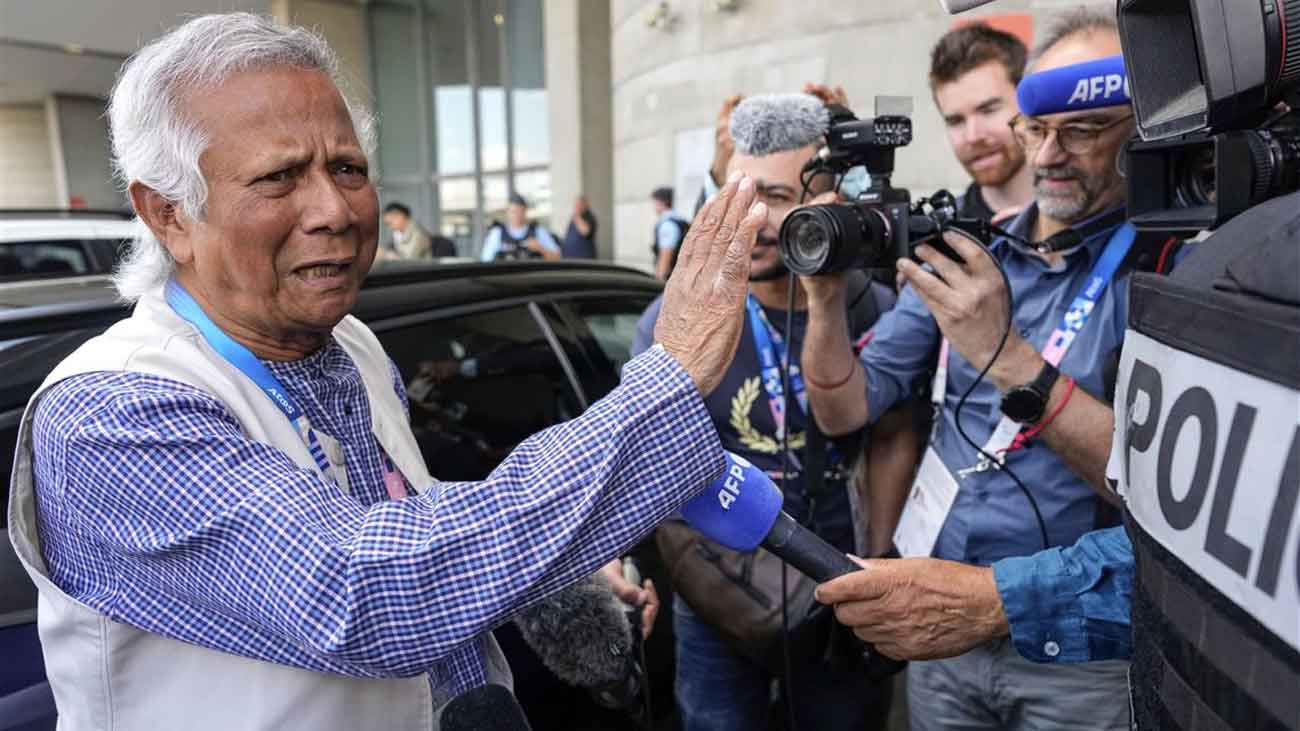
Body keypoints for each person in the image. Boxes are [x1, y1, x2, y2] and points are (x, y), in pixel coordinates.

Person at [5, 14, 769, 730]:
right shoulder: (108, 414)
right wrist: (667, 378)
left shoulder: (351, 343)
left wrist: (552, 580)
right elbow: (363, 591)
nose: (335, 210)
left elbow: (408, 514)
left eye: (348, 167)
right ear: (168, 212)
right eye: (280, 177)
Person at [801, 10, 1137, 730]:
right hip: (938, 624)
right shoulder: (965, 251)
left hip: (1074, 650)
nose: (1049, 153)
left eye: (1082, 129)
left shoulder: (1163, 269)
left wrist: (1005, 355)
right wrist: (824, 303)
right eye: (1035, 128)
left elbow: (1155, 492)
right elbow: (846, 406)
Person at [631, 94, 919, 731]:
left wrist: (878, 560)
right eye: (738, 194)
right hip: (718, 590)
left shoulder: (873, 305)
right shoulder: (678, 318)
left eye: (778, 196)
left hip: (841, 588)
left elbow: (896, 435)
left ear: (828, 200)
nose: (753, 219)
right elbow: (640, 449)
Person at [929, 24, 1034, 223]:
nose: (973, 136)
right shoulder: (942, 234)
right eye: (956, 121)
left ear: (1029, 103)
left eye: (989, 110)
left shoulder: (1088, 213)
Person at [480, 192, 561, 261]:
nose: (517, 215)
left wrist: (541, 248)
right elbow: (485, 261)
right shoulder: (497, 233)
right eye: (513, 212)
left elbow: (558, 257)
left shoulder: (538, 231)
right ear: (507, 212)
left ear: (525, 211)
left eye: (520, 211)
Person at [381, 202, 454, 259]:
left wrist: (387, 255)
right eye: (387, 224)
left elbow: (410, 260)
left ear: (401, 216)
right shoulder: (398, 235)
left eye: (390, 222)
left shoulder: (418, 234)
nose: (390, 227)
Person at [650, 186, 689, 280]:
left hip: (671, 278)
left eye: (655, 202)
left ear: (661, 202)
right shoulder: (680, 220)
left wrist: (659, 279)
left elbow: (666, 254)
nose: (654, 207)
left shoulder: (668, 224)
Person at [562, 194, 598, 259]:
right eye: (576, 205)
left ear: (586, 205)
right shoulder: (574, 218)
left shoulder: (589, 217)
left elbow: (585, 232)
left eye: (579, 205)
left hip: (583, 258)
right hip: (570, 257)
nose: (577, 207)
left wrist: (577, 217)